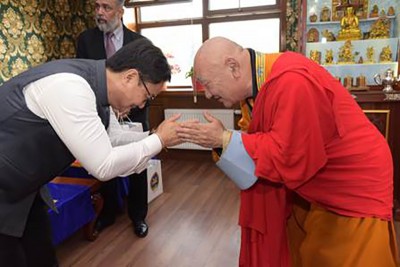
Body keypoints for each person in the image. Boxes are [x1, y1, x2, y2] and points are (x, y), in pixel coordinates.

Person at [178, 37, 398, 267]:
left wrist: (224, 138)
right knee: (310, 252)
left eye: (207, 83)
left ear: (233, 67)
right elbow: (260, 141)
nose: (208, 95)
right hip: (314, 182)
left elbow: (290, 155)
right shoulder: (255, 89)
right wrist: (222, 142)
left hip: (353, 181)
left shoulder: (292, 81)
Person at [0, 38, 182, 267]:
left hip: (24, 191)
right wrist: (158, 140)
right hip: (6, 190)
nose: (143, 105)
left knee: (43, 258)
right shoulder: (71, 88)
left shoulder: (99, 93)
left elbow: (112, 141)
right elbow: (103, 165)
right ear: (130, 77)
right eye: (147, 97)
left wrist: (157, 137)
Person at [76, 0, 150, 238]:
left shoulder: (140, 44)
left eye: (106, 7)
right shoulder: (86, 40)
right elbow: (84, 79)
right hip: (102, 116)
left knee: (137, 166)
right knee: (104, 165)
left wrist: (129, 106)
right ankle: (107, 213)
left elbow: (149, 82)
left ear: (120, 11)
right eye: (96, 6)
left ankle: (138, 216)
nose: (99, 12)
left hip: (134, 115)